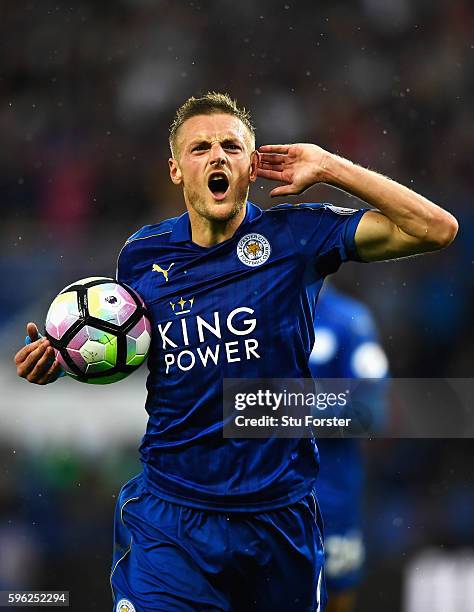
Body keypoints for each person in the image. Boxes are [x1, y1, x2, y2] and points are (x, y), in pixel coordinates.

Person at [14, 92, 458, 611]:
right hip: (171, 520)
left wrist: (331, 166)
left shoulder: (296, 238)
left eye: (232, 146)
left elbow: (436, 229)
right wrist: (65, 360)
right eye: (200, 148)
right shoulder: (142, 256)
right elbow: (130, 352)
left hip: (278, 521)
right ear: (177, 170)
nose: (218, 156)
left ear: (253, 166)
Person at [309, 285, 389, 612]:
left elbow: (372, 412)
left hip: (330, 497)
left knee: (336, 597)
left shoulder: (348, 319)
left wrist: (283, 410)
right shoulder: (251, 314)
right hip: (257, 495)